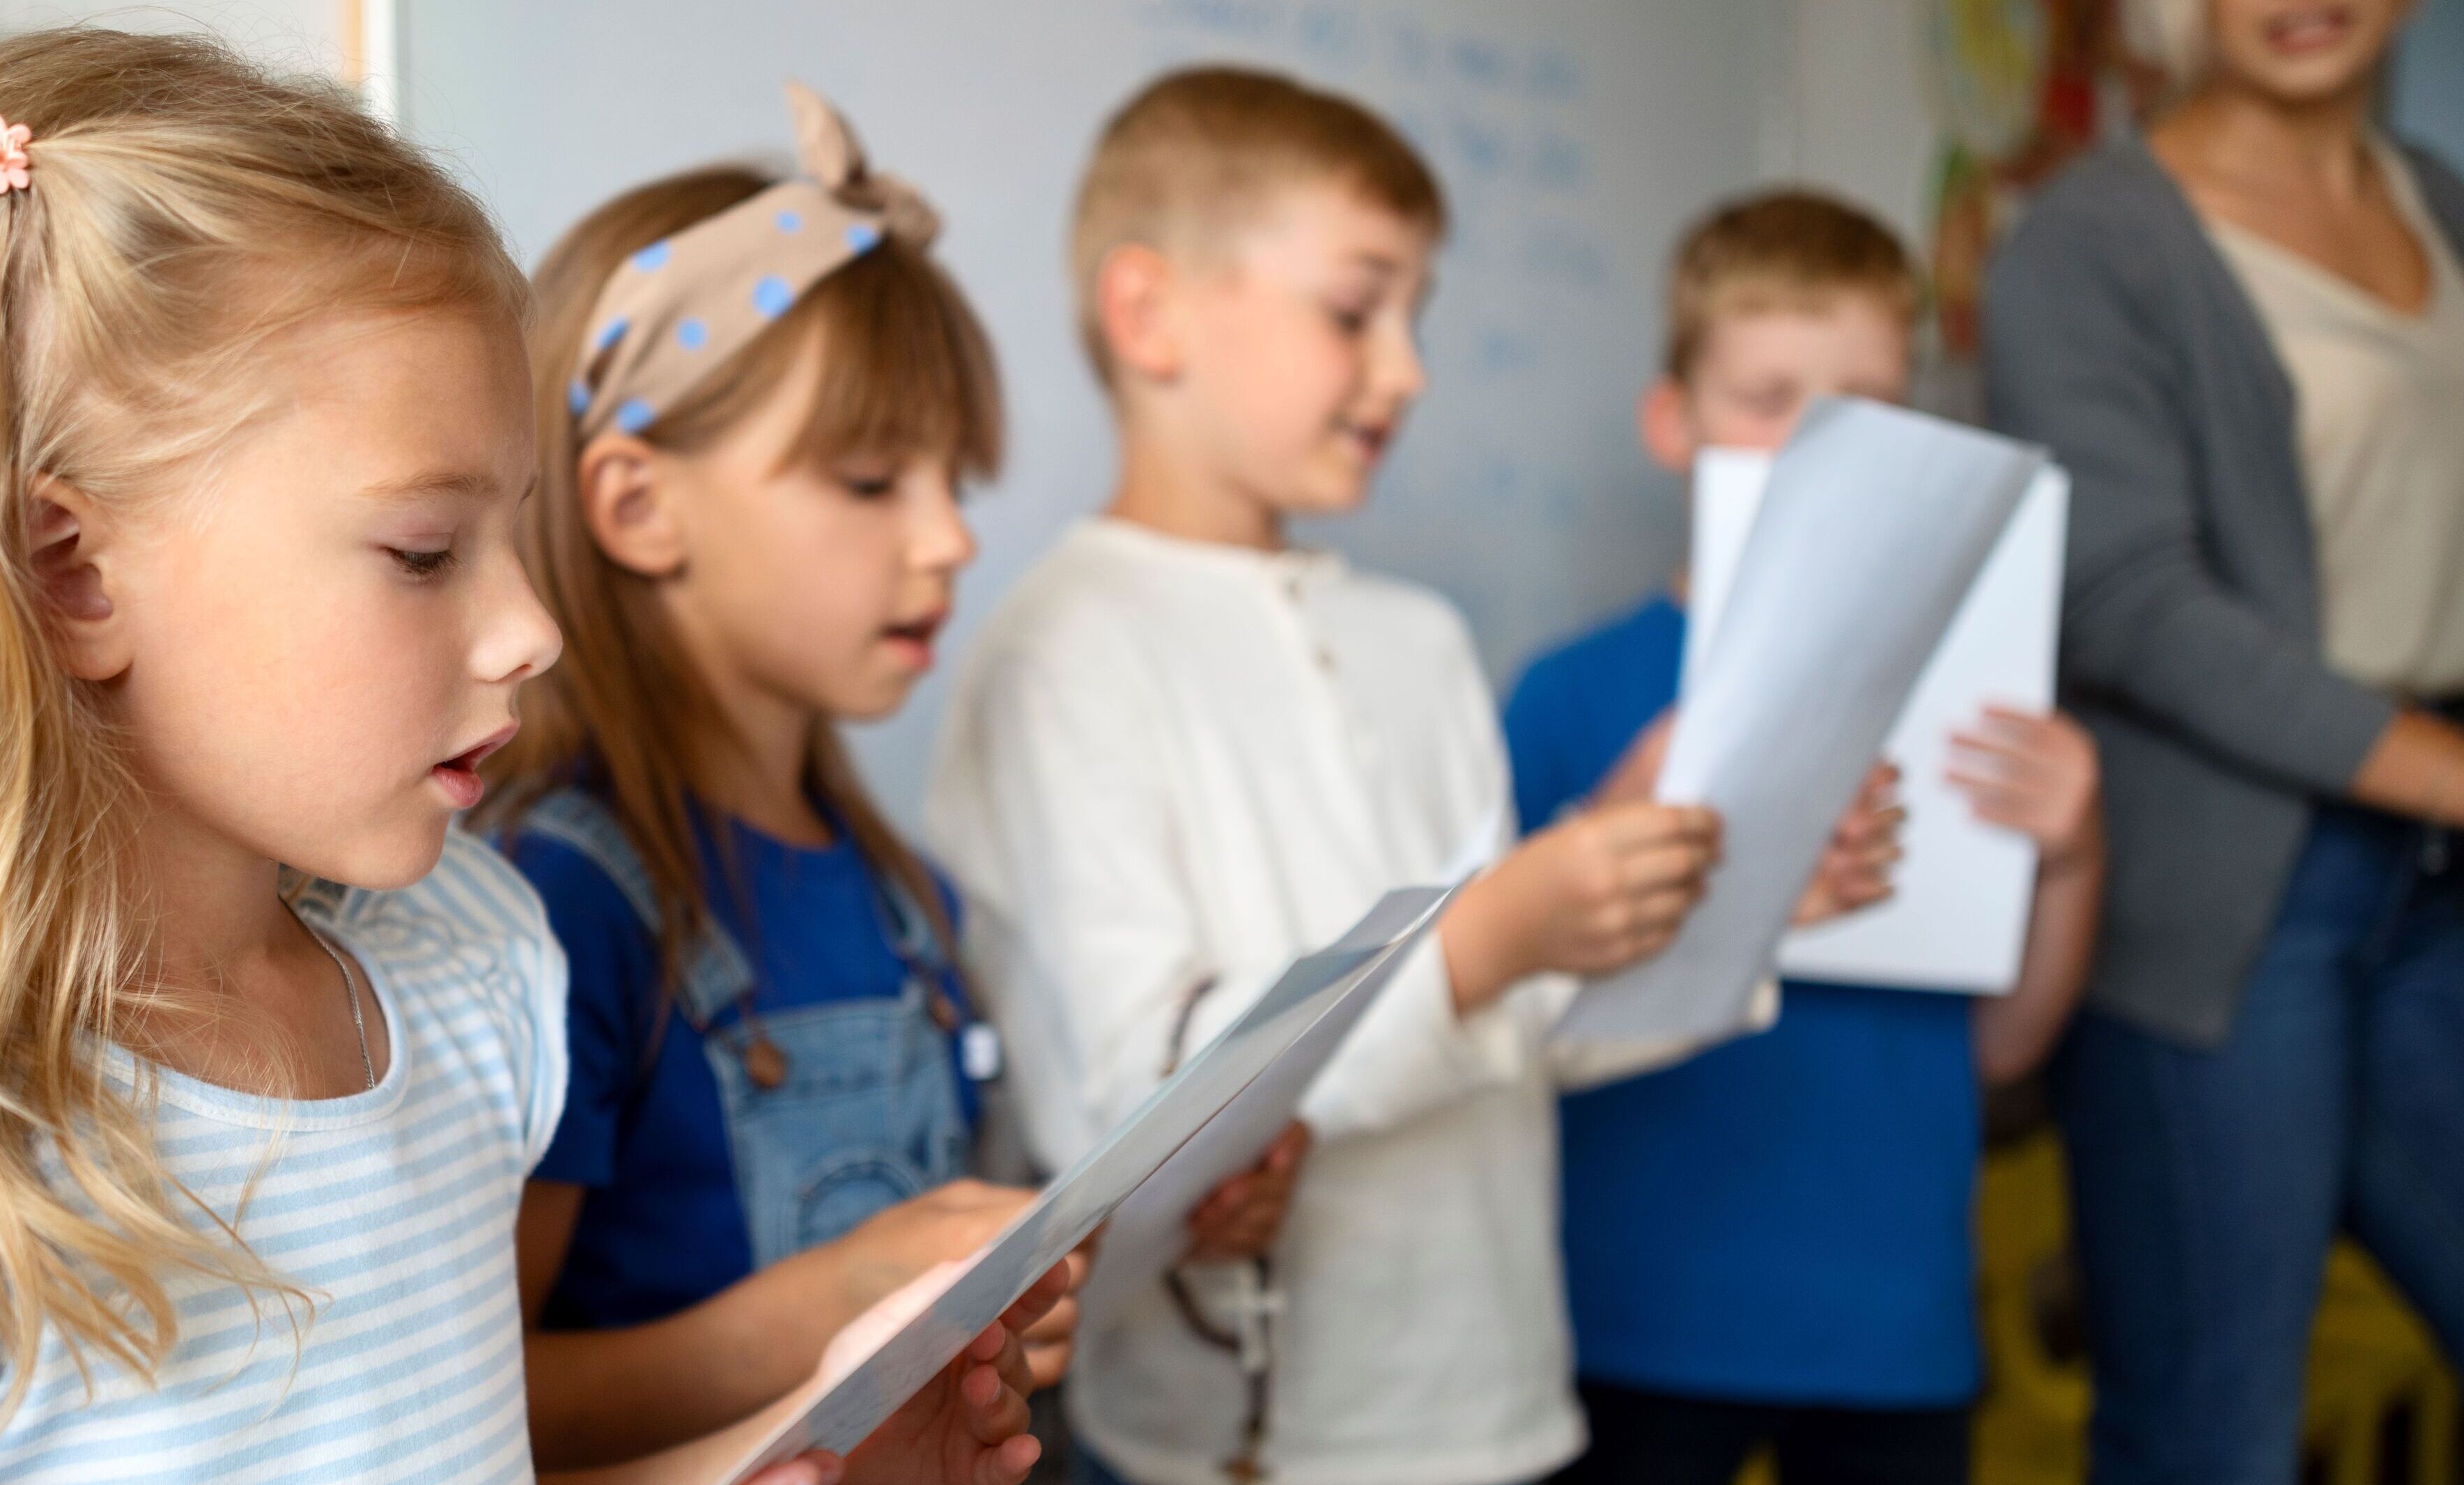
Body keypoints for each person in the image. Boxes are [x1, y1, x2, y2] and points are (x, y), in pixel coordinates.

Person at [0, 32, 1064, 1485]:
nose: (531, 628)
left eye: (510, 531)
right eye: (425, 551)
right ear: (73, 576)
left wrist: (794, 1451)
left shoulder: (465, 994)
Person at [927, 67, 1893, 1485]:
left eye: (1413, 315)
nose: (1406, 367)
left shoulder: (1420, 640)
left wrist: (1708, 897)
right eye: (1353, 307)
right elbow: (1127, 1119)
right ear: (1150, 315)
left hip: (1504, 1406)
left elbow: (1519, 1027)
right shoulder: (1056, 656)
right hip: (1246, 1451)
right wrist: (1490, 932)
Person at [474, 86, 1085, 1472]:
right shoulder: (556, 903)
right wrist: (831, 1306)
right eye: (871, 480)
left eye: (955, 482)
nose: (945, 540)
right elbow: (473, 1403)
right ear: (638, 505)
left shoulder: (905, 896)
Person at [1507, 191, 2104, 1485]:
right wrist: (1615, 824)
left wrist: (2071, 857)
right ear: (1675, 424)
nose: (1820, 447)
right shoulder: (1572, 695)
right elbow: (1500, 1019)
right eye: (1769, 399)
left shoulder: (1973, 699)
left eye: (1867, 405)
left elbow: (2009, 1048)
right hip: (1625, 1324)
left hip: (1892, 1331)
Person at [1983, 0, 2464, 1477]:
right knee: (2212, 1431)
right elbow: (2127, 603)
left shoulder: (2435, 199)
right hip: (2222, 894)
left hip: (2432, 868)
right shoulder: (2080, 242)